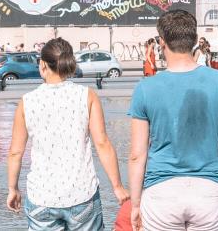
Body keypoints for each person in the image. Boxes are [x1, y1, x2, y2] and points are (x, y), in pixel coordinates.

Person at [129, 10, 218, 231]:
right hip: (208, 192)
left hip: (162, 193)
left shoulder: (146, 88)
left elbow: (136, 155)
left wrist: (135, 205)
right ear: (193, 39)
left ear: (162, 42)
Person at [7, 38, 129, 230]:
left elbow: (15, 152)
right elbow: (102, 143)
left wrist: (13, 188)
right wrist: (117, 186)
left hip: (42, 196)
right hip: (82, 194)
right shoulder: (87, 96)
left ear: (43, 64)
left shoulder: (27, 102)